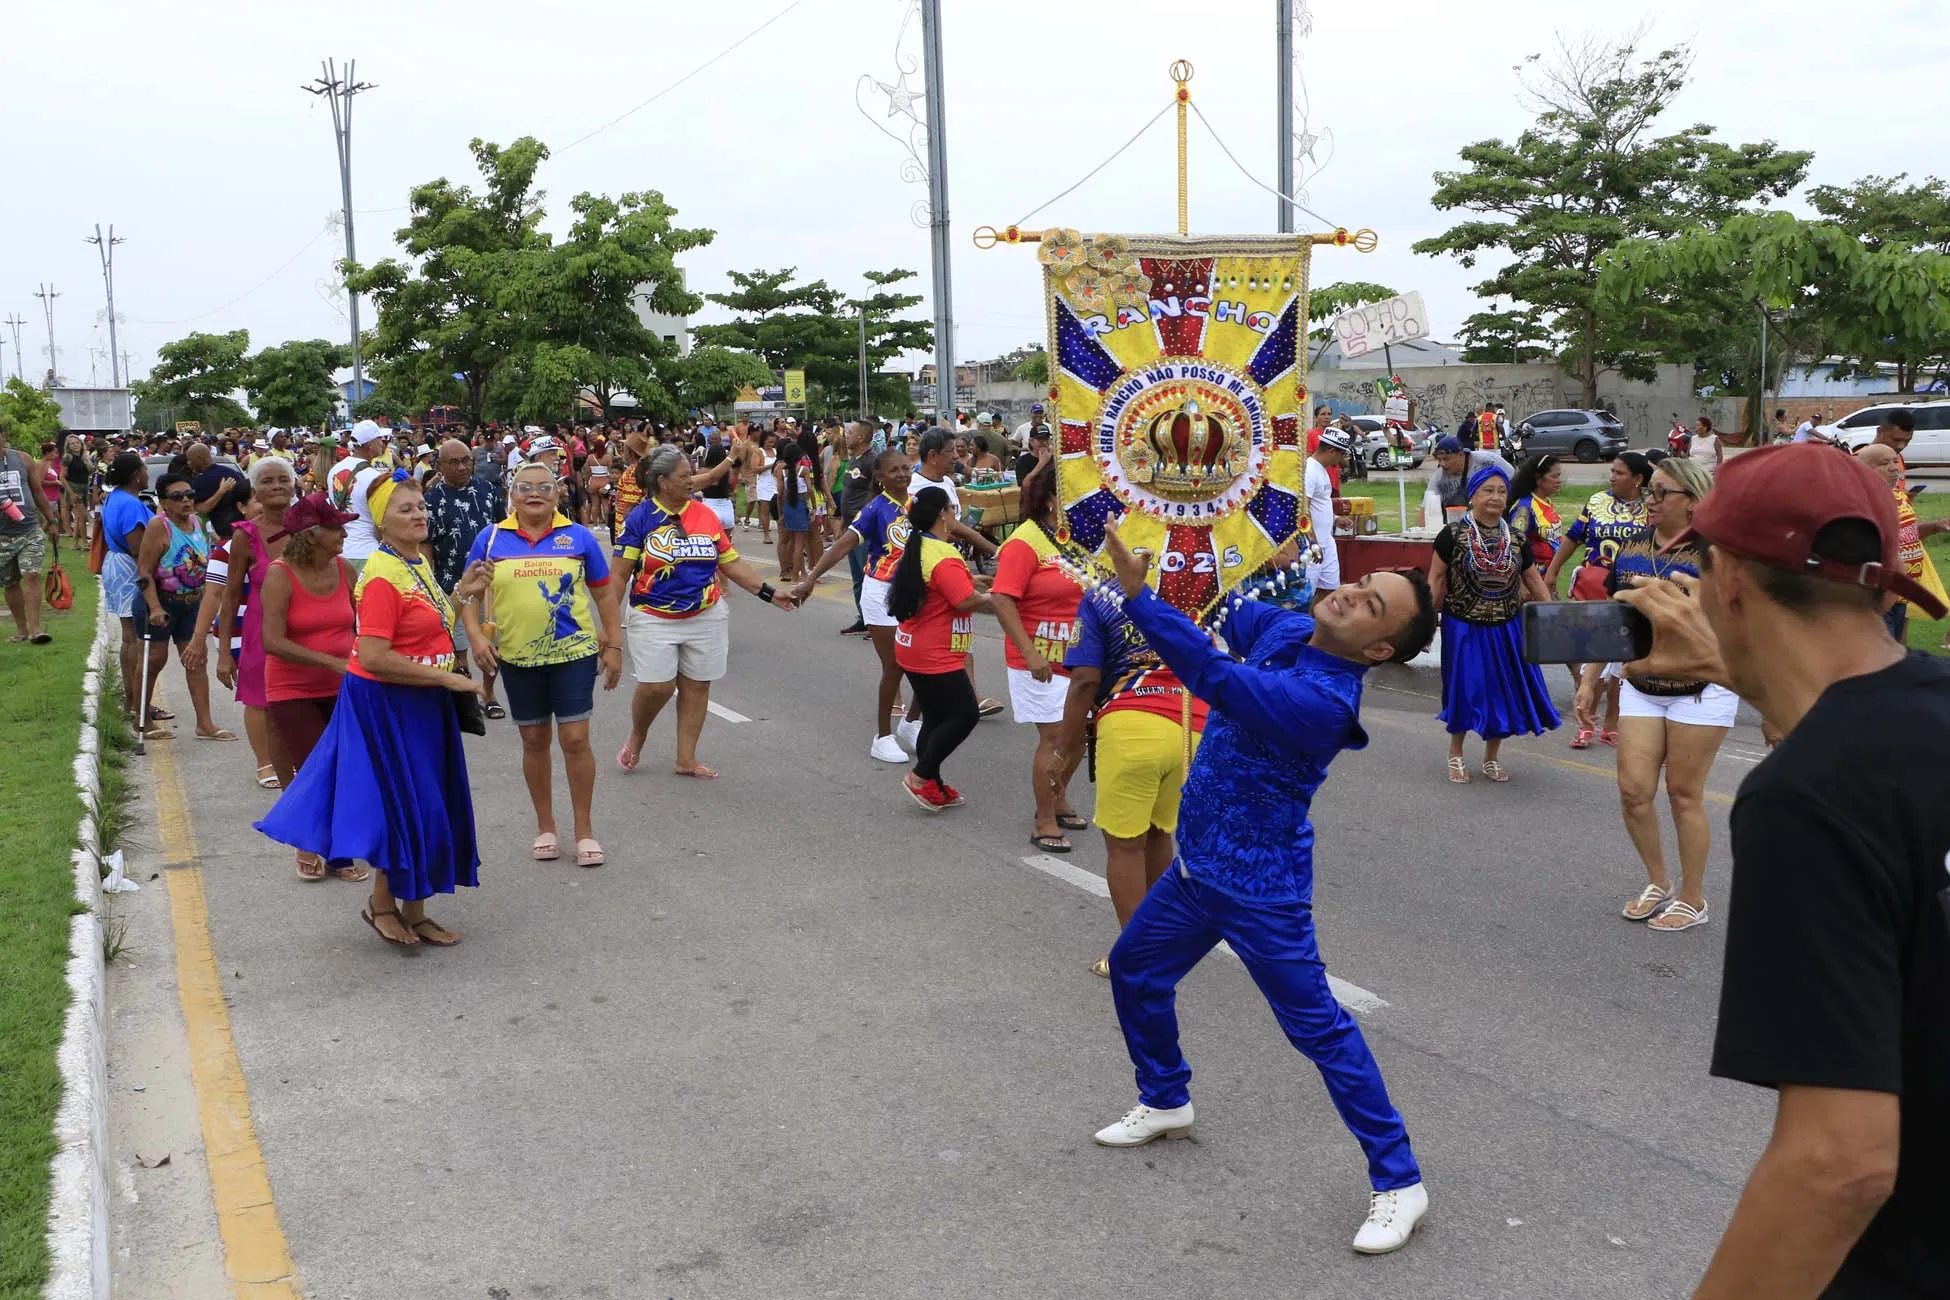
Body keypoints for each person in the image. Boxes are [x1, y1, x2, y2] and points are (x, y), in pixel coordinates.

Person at [1610, 443, 1949, 1299]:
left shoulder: (1805, 799)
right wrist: (1748, 672)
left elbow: (1840, 1162)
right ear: (1879, 585)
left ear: (1728, 583)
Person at [1088, 518, 1439, 1254]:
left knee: (1319, 1030)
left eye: (1370, 604)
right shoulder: (1290, 632)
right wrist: (1194, 517)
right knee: (1134, 970)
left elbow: (1214, 677)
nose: (1348, 592)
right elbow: (1212, 602)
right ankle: (1165, 1097)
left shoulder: (1326, 704)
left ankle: (1400, 1181)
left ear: (1379, 649)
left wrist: (1139, 600)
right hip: (1196, 871)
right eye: (1360, 584)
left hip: (1261, 893)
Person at [256, 470, 493, 948]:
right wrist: (452, 679)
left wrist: (463, 591)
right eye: (406, 509)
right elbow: (375, 656)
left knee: (429, 804)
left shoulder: (414, 563)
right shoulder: (382, 575)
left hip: (421, 701)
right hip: (388, 703)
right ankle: (382, 905)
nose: (420, 514)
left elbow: (432, 624)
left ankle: (415, 909)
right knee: (402, 806)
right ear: (382, 522)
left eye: (422, 507)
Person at [1569, 458, 1732, 930]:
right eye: (1651, 493)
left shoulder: (1717, 554)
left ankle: (1693, 898)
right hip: (1640, 681)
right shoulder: (1632, 549)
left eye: (1663, 493)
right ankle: (1658, 881)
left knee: (1684, 793)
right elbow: (1613, 621)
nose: (1651, 501)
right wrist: (1589, 679)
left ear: (1694, 501)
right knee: (1633, 791)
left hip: (1701, 687)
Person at [462, 461, 622, 867]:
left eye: (544, 487)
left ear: (559, 494)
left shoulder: (579, 537)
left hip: (574, 655)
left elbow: (604, 595)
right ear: (511, 495)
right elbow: (469, 595)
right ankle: (545, 826)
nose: (535, 494)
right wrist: (477, 637)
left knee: (575, 739)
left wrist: (614, 645)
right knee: (534, 741)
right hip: (517, 658)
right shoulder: (491, 538)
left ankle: (584, 831)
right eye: (525, 487)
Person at [1057, 572, 1208, 977]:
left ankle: (1137, 958)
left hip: (1132, 725)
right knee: (1159, 834)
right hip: (1193, 726)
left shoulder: (1102, 593)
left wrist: (1065, 748)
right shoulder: (1189, 587)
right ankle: (1160, 940)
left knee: (1124, 848)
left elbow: (1085, 679)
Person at [614, 446, 797, 778]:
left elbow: (730, 563)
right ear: (662, 481)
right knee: (657, 685)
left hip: (705, 614)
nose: (691, 481)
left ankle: (686, 758)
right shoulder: (639, 519)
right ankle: (638, 734)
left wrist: (770, 593)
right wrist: (608, 628)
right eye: (684, 476)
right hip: (654, 616)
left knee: (697, 685)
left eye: (691, 474)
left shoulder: (704, 514)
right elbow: (619, 574)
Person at [258, 493, 368, 883]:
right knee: (314, 768)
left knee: (345, 767)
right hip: (293, 689)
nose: (344, 532)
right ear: (311, 534)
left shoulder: (344, 569)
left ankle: (338, 849)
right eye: (336, 527)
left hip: (343, 686)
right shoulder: (279, 575)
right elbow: (271, 641)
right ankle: (309, 840)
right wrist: (330, 661)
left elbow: (359, 624)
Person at [1429, 463, 1558, 781]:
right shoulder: (1452, 536)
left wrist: (1553, 615)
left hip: (1506, 626)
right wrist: (1425, 623)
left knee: (1502, 690)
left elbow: (1534, 580)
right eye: (1488, 490)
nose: (1496, 497)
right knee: (1465, 689)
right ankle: (1456, 754)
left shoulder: (1515, 538)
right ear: (1473, 496)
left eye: (1502, 491)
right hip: (1464, 628)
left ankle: (1491, 757)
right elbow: (1435, 580)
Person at [792, 450, 915, 762]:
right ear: (880, 477)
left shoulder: (919, 504)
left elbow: (949, 532)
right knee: (896, 666)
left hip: (916, 595)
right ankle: (882, 736)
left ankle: (912, 723)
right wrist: (811, 577)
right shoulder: (874, 509)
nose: (901, 474)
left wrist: (993, 550)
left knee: (924, 663)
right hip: (881, 594)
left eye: (905, 468)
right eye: (894, 470)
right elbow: (842, 546)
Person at [989, 455, 1085, 850]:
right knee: (1055, 737)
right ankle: (1044, 820)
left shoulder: (1079, 537)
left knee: (1079, 737)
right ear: (1050, 499)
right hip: (1038, 660)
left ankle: (1058, 796)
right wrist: (1030, 654)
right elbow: (1000, 598)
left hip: (1079, 658)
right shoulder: (1023, 541)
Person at [889, 486, 992, 811]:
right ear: (942, 515)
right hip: (934, 651)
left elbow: (940, 587)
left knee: (935, 717)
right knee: (965, 714)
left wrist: (970, 581)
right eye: (952, 508)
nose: (955, 514)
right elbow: (963, 600)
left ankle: (931, 781)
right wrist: (999, 597)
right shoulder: (944, 555)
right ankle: (920, 777)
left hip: (913, 645)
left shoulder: (923, 546)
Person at [1543, 451, 1651, 746]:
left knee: (1621, 662)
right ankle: (1585, 722)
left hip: (1635, 593)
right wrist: (1553, 571)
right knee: (1593, 657)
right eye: (1612, 471)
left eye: (1619, 472)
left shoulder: (1652, 507)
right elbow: (1573, 537)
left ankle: (1611, 724)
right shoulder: (1597, 501)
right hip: (1596, 589)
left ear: (1638, 479)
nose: (1612, 476)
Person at [214, 457, 299, 787]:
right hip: (260, 629)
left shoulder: (309, 528)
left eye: (283, 479)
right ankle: (266, 762)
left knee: (301, 697)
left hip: (305, 627)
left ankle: (297, 757)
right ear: (255, 491)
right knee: (260, 698)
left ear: (294, 485)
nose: (276, 485)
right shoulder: (244, 536)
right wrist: (224, 652)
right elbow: (231, 595)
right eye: (266, 481)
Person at [133, 474, 234, 742]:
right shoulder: (159, 526)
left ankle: (205, 724)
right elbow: (143, 572)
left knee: (196, 660)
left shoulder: (198, 523)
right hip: (160, 603)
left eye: (189, 495)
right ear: (165, 502)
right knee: (155, 660)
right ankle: (141, 718)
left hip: (191, 603)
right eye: (178, 497)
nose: (186, 500)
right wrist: (154, 608)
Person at [424, 438, 507, 719]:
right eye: (453, 462)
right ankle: (468, 699)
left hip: (488, 584)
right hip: (451, 586)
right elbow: (426, 546)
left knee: (490, 646)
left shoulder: (487, 491)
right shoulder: (431, 500)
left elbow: (502, 530)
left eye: (466, 461)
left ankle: (489, 694)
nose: (461, 467)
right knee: (458, 648)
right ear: (440, 465)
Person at [1857, 442, 1948, 648]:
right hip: (1879, 596)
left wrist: (1934, 527)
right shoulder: (1864, 502)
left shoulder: (1900, 497)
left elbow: (1908, 535)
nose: (1893, 467)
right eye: (1883, 463)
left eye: (1894, 461)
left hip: (1902, 595)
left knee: (1896, 652)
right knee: (1883, 657)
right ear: (1865, 470)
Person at [99, 453, 156, 720]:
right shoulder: (132, 505)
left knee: (128, 637)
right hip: (129, 568)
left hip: (114, 563)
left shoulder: (115, 497)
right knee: (136, 638)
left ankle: (132, 698)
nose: (147, 474)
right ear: (136, 476)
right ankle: (137, 702)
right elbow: (138, 547)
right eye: (144, 470)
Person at [0, 421, 58, 645]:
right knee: (9, 582)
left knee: (31, 574)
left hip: (29, 529)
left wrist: (52, 520)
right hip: (2, 535)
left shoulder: (22, 459)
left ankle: (36, 630)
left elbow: (37, 491)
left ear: (3, 436)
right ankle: (21, 629)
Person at [327, 420, 394, 574]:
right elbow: (380, 523)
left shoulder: (335, 470)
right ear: (369, 444)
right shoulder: (375, 477)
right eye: (379, 439)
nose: (383, 443)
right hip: (367, 553)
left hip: (340, 551)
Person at [1303, 428, 1351, 597]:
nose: (1341, 460)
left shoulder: (1321, 470)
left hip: (1326, 541)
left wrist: (1336, 519)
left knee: (1330, 591)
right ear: (1332, 451)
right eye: (1341, 454)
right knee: (1307, 595)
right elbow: (1303, 510)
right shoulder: (1309, 470)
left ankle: (1319, 623)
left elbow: (1320, 504)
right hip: (1313, 545)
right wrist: (1313, 543)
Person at [1506, 453, 1565, 569]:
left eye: (1559, 476)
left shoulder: (1546, 501)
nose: (1559, 481)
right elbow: (1516, 546)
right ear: (1538, 479)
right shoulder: (1525, 508)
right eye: (1554, 477)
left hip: (1549, 575)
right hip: (1533, 578)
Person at [1429, 435, 1514, 514]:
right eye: (1439, 460)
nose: (1442, 464)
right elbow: (1427, 508)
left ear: (1460, 454)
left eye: (1446, 459)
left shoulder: (1487, 460)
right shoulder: (1438, 477)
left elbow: (1513, 478)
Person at [186, 441, 249, 540]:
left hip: (225, 533)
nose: (188, 464)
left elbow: (202, 509)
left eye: (190, 460)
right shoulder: (233, 472)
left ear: (200, 459)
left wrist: (220, 492)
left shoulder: (201, 481)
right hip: (244, 529)